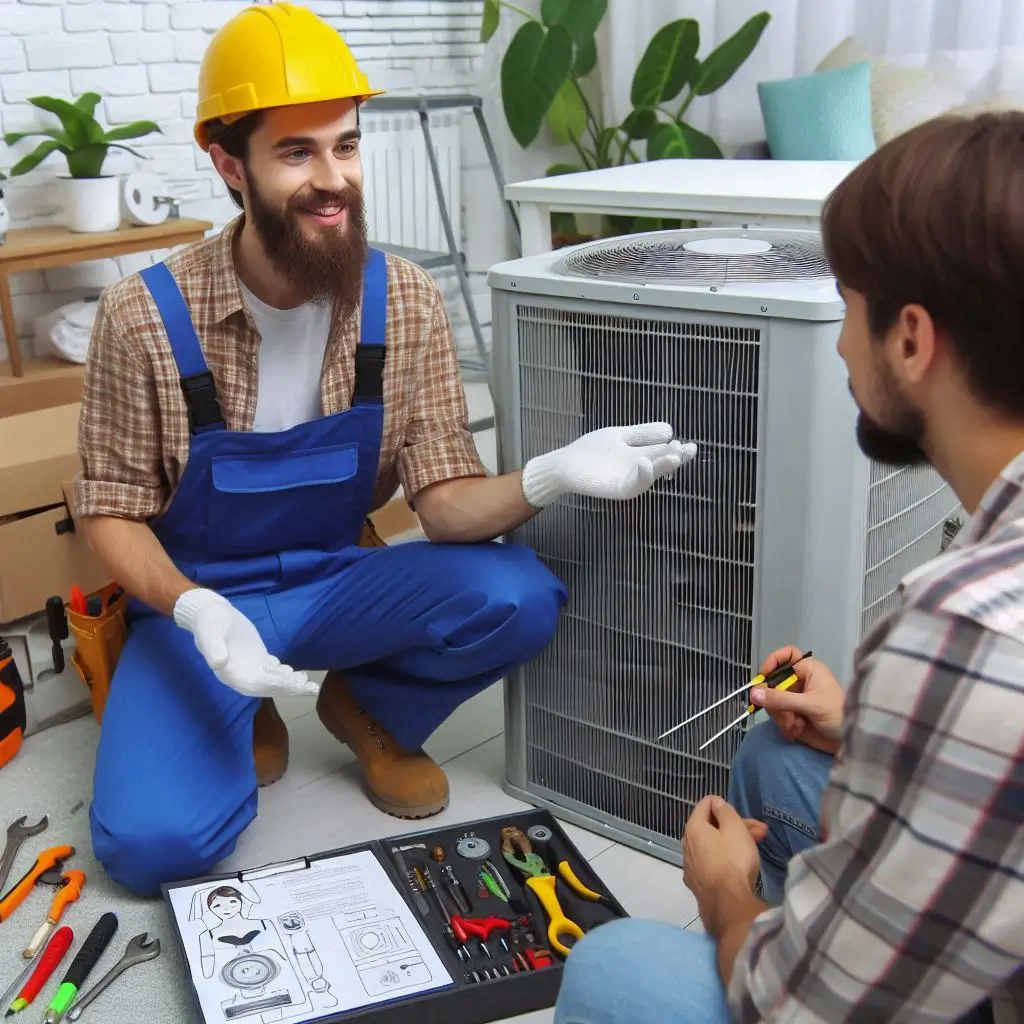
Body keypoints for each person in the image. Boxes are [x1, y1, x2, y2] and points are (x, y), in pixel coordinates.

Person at [75, 2, 696, 897]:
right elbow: (110, 510)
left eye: (347, 145)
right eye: (297, 153)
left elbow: (443, 505)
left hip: (337, 581)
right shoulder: (141, 317)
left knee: (518, 595)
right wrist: (195, 610)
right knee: (153, 846)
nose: (334, 179)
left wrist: (548, 476)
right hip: (201, 603)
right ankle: (235, 703)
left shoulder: (401, 299)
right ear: (229, 166)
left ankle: (366, 705)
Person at [554, 110, 1024, 1023]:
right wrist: (866, 728)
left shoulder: (966, 631)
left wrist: (726, 893)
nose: (843, 343)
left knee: (616, 967)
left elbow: (795, 1000)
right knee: (775, 752)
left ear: (912, 339)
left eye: (846, 304)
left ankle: (769, 926)